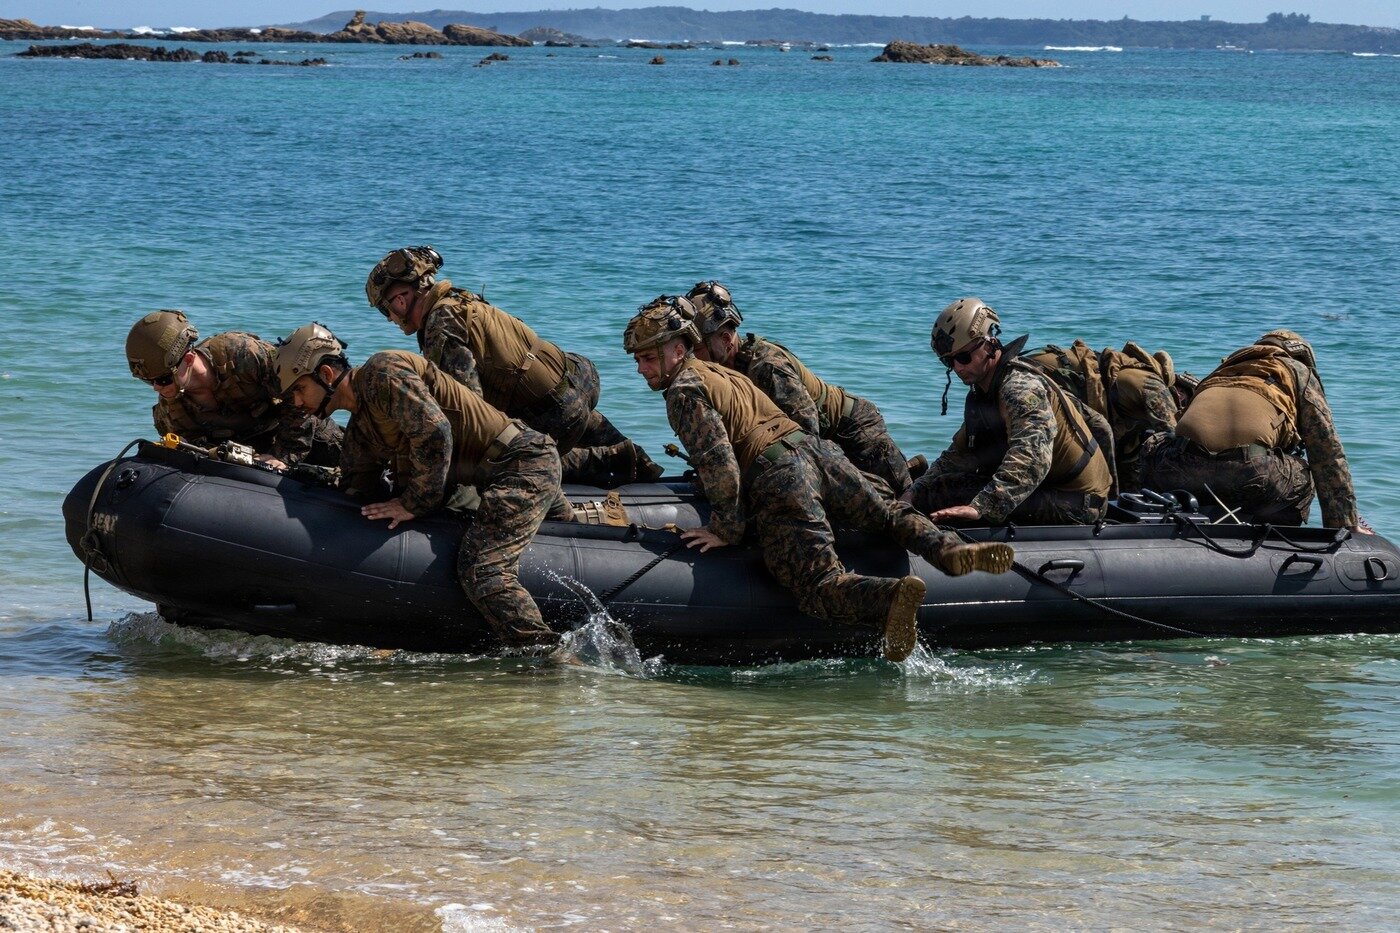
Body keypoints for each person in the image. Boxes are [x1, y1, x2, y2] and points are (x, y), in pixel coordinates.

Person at [625, 296, 1013, 663]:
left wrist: (725, 528)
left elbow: (718, 461)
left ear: (678, 350)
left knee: (816, 585)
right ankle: (947, 549)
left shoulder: (684, 391)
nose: (641, 369)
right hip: (819, 453)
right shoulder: (721, 372)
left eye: (648, 358)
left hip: (779, 474)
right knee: (885, 512)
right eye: (638, 360)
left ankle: (889, 597)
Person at [273, 322, 576, 651]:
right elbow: (353, 490)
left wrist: (414, 503)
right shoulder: (361, 432)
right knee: (564, 529)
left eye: (299, 389)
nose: (297, 402)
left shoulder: (382, 372)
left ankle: (548, 655)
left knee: (482, 569)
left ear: (326, 374)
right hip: (490, 478)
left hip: (522, 463)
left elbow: (436, 432)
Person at [365, 246, 661, 486]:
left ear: (400, 301)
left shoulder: (439, 324)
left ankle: (609, 461)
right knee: (563, 411)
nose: (389, 319)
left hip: (555, 411)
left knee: (493, 461)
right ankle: (639, 461)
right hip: (580, 378)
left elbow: (466, 408)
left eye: (384, 310)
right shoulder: (463, 300)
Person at [685, 280, 913, 496]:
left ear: (726, 339)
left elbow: (806, 431)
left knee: (902, 501)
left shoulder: (766, 367)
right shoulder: (726, 370)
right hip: (830, 436)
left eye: (698, 349)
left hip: (855, 432)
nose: (694, 357)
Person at [907, 298, 1114, 526]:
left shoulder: (1018, 388)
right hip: (1049, 489)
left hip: (1076, 502)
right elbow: (958, 456)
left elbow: (1033, 457)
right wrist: (915, 491)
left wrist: (981, 506)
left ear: (989, 344)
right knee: (938, 487)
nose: (957, 368)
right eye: (948, 362)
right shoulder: (985, 392)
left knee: (947, 494)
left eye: (963, 357)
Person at [1140, 330, 1370, 532]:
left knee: (1156, 442)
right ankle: (1275, 540)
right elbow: (1328, 453)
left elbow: (1179, 429)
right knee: (1304, 474)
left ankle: (1151, 516)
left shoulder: (1221, 371)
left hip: (1180, 468)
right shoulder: (1299, 371)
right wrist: (1344, 523)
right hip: (1251, 475)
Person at [125, 310, 341, 468]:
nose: (156, 388)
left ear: (188, 359)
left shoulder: (243, 355)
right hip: (249, 457)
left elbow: (300, 397)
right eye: (148, 381)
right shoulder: (171, 413)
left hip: (298, 432)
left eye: (163, 379)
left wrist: (283, 456)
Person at [1025, 339, 1180, 491]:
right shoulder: (1152, 383)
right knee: (1100, 430)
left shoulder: (1125, 371)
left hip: (1033, 372)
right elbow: (1175, 436)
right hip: (1035, 378)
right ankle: (1105, 497)